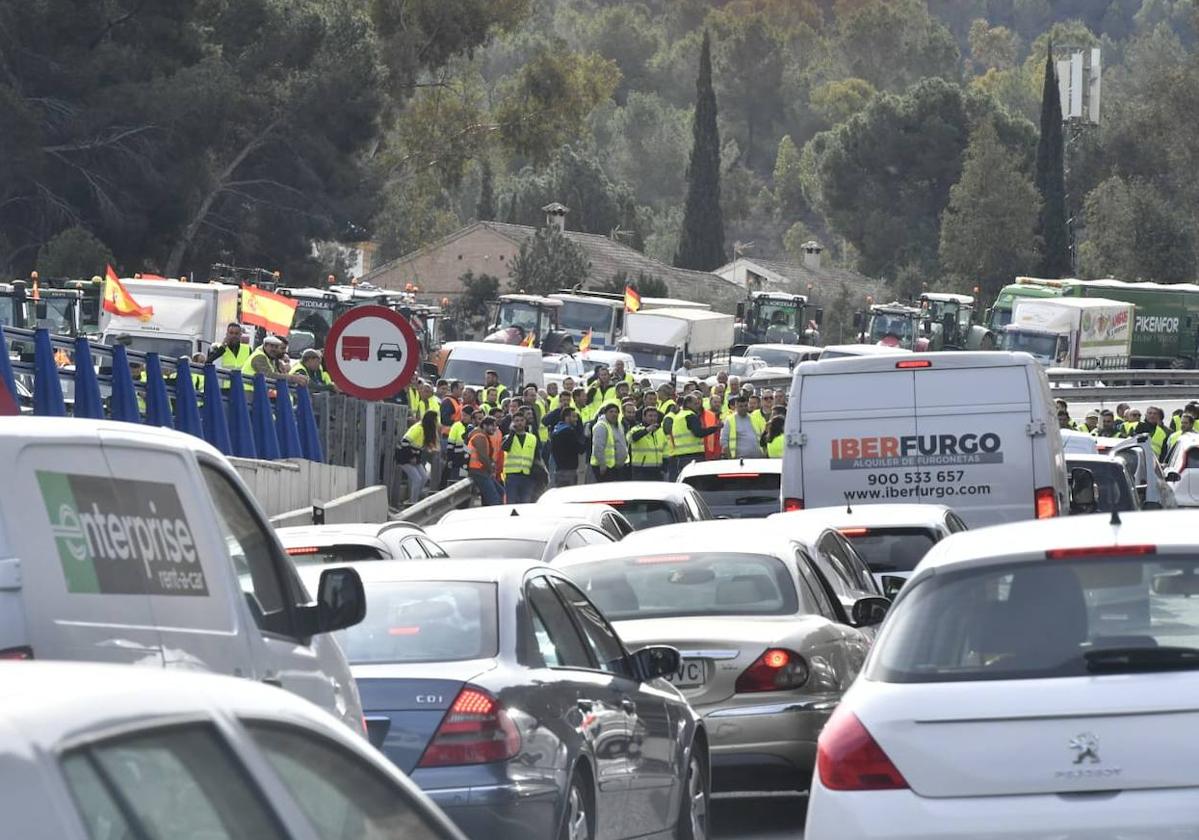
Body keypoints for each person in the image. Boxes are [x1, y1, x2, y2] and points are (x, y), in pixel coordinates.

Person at [666, 393, 721, 478]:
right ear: (688, 404)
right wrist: (715, 428)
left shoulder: (678, 416)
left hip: (680, 455)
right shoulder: (691, 416)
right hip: (693, 455)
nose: (697, 406)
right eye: (695, 404)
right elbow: (698, 433)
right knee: (696, 482)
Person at [396, 410, 438, 505]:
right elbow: (404, 443)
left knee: (424, 477)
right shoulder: (418, 428)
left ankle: (415, 497)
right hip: (404, 457)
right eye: (435, 420)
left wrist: (431, 449)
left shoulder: (425, 429)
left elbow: (419, 445)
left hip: (414, 457)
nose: (436, 422)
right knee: (417, 479)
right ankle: (412, 502)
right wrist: (411, 457)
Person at [242, 336, 308, 389]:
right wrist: (293, 378)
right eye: (271, 346)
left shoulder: (270, 357)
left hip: (257, 390)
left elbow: (277, 375)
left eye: (276, 347)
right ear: (265, 346)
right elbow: (269, 375)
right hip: (248, 390)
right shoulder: (259, 356)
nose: (274, 349)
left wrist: (293, 375)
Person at [501, 412, 540, 503]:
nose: (519, 423)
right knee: (511, 502)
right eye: (516, 421)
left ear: (525, 422)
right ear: (512, 423)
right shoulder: (508, 437)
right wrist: (512, 433)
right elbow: (504, 448)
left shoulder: (532, 438)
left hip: (527, 475)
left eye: (522, 420)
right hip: (512, 475)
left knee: (525, 503)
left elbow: (536, 456)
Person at [467, 416, 504, 506]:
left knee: (501, 493)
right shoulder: (479, 437)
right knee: (494, 499)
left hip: (482, 470)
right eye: (492, 426)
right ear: (484, 426)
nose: (495, 429)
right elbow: (483, 457)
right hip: (478, 470)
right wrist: (491, 470)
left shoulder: (482, 435)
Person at [590, 402, 628, 482]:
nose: (614, 414)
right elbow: (598, 447)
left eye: (616, 412)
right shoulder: (601, 426)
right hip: (604, 467)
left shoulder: (619, 426)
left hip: (616, 466)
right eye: (611, 412)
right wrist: (602, 465)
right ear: (605, 413)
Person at [550, 406, 588, 487]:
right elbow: (580, 449)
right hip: (569, 471)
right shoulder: (569, 432)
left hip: (558, 470)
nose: (576, 419)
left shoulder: (556, 430)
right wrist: (587, 438)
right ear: (566, 418)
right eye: (574, 417)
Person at [206, 323, 250, 388]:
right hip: (224, 388)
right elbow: (208, 362)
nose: (234, 336)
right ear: (227, 334)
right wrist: (223, 347)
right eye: (231, 333)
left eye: (236, 333)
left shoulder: (248, 349)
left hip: (241, 387)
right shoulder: (217, 348)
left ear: (240, 335)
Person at [628, 406, 667, 480]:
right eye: (650, 416)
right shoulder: (636, 429)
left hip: (657, 470)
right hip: (641, 470)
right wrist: (647, 430)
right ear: (644, 417)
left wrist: (664, 467)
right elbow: (631, 438)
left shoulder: (660, 431)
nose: (653, 418)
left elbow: (665, 451)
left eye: (655, 416)